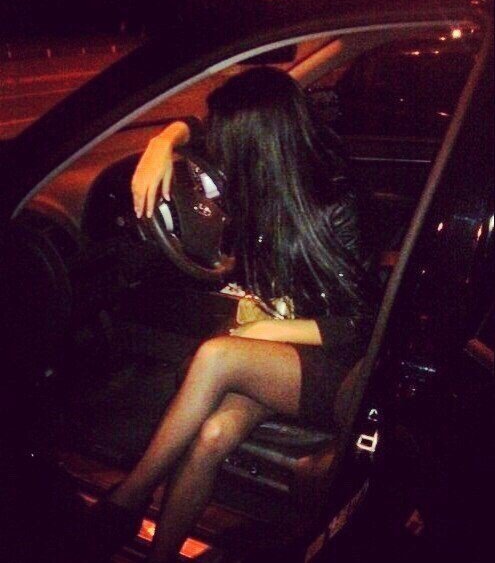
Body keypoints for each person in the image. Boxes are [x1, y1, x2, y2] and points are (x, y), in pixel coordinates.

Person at [88, 67, 377, 563]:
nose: (216, 148)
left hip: (341, 366)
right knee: (212, 435)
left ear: (253, 142)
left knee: (216, 356)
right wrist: (162, 141)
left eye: (227, 139)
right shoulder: (265, 177)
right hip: (282, 352)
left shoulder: (335, 202)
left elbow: (362, 325)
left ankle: (128, 497)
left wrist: (268, 327)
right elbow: (197, 130)